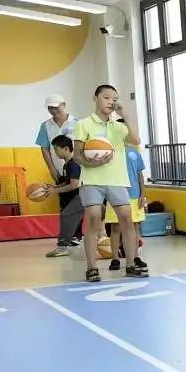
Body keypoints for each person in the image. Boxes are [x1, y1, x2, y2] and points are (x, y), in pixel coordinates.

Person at [73, 85, 147, 282]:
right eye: (106, 97)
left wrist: (126, 115)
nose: (111, 102)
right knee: (94, 219)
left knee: (127, 220)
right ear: (95, 98)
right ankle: (91, 268)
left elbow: (136, 139)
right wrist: (92, 162)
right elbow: (77, 155)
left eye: (114, 99)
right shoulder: (83, 124)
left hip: (117, 180)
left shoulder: (119, 127)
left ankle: (130, 264)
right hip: (92, 181)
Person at [35, 94, 80, 244]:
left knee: (75, 202)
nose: (53, 110)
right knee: (65, 203)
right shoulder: (46, 126)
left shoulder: (77, 123)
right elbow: (44, 148)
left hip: (75, 168)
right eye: (50, 108)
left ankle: (76, 235)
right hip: (60, 169)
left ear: (64, 105)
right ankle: (69, 235)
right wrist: (52, 169)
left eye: (56, 107)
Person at [103, 123, 148, 272]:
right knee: (116, 227)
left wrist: (142, 194)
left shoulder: (134, 152)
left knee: (134, 227)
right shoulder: (109, 152)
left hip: (134, 195)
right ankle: (115, 258)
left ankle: (135, 256)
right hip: (115, 193)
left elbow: (140, 174)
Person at [42, 134, 83, 258]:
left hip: (82, 196)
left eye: (56, 149)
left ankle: (63, 246)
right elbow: (67, 181)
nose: (55, 152)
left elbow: (74, 184)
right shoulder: (67, 164)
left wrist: (55, 191)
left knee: (66, 215)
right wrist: (55, 187)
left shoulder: (74, 164)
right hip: (79, 197)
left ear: (66, 149)